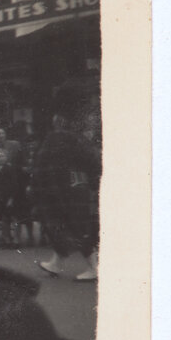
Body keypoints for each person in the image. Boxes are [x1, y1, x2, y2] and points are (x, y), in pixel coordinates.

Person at [35, 90, 101, 281]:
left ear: (57, 122)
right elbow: (94, 162)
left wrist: (37, 187)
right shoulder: (79, 139)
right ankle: (55, 263)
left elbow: (41, 166)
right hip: (78, 187)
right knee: (70, 225)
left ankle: (94, 268)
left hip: (59, 190)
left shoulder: (53, 139)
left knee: (72, 226)